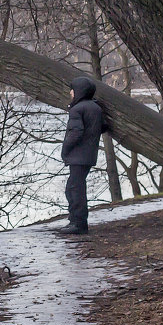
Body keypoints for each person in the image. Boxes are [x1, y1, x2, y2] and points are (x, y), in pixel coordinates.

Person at [59, 76, 105, 235]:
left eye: (72, 89)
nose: (70, 93)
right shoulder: (96, 108)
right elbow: (103, 127)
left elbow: (76, 133)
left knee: (74, 188)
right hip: (89, 154)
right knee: (74, 187)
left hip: (78, 155)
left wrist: (65, 149)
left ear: (79, 91)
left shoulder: (77, 109)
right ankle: (76, 221)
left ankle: (78, 224)